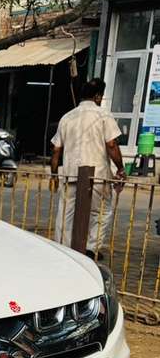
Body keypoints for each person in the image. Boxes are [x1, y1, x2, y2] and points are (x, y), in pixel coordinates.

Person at [50, 78, 126, 259]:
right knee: (101, 212)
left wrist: (54, 175)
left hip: (70, 174)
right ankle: (91, 249)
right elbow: (112, 144)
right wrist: (121, 169)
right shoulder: (103, 115)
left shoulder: (67, 117)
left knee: (66, 214)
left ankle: (63, 250)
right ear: (98, 96)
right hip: (97, 176)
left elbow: (56, 149)